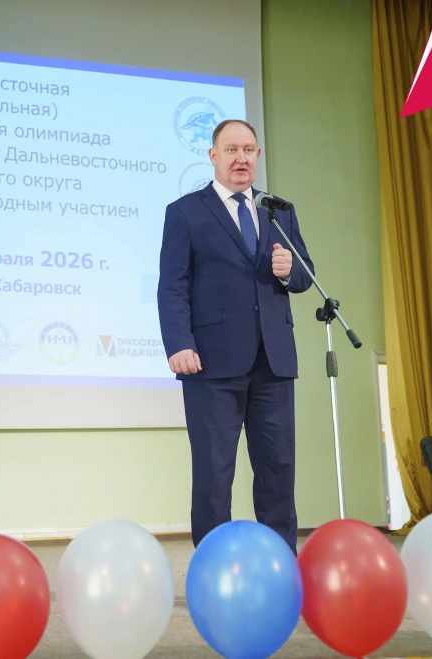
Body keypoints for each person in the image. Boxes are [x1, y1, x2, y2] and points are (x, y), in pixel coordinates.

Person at [156, 119, 314, 554]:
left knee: (278, 469)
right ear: (213, 156)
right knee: (214, 473)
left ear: (258, 156)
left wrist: (291, 271)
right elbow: (172, 285)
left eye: (248, 150)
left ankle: (281, 561)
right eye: (231, 150)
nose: (241, 158)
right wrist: (179, 343)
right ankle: (213, 564)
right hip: (211, 362)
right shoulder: (185, 212)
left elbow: (305, 276)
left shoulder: (279, 211)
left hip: (273, 361)